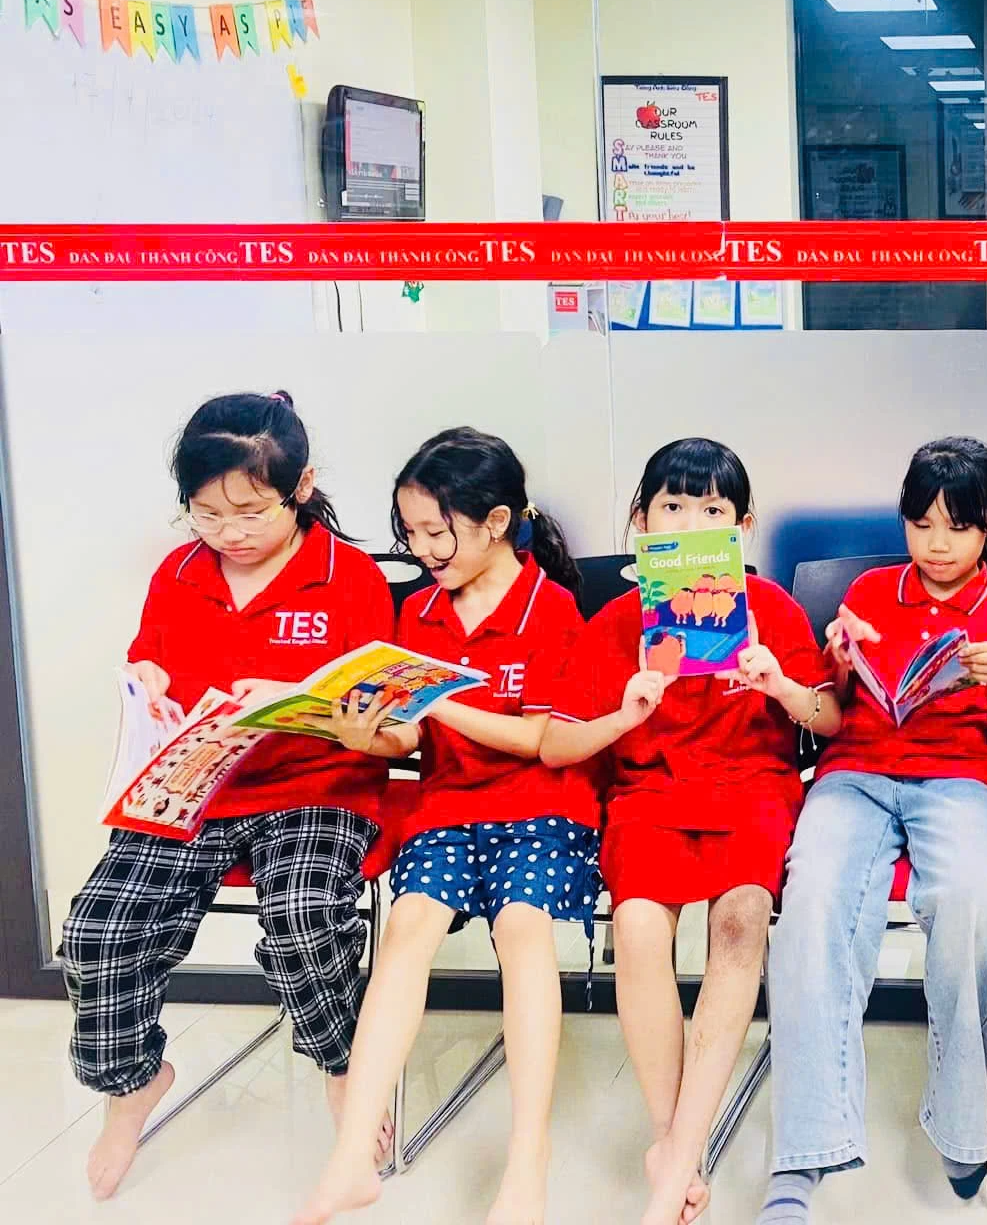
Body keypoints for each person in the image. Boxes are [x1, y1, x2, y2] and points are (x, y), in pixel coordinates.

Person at [62, 391, 396, 1200]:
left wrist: (309, 706)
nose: (229, 533)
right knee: (98, 929)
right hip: (197, 785)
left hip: (317, 786)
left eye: (250, 513)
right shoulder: (178, 573)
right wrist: (147, 682)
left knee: (302, 917)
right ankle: (131, 1081)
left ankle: (344, 1066)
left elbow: (384, 711)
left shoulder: (348, 577)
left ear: (301, 487)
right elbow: (150, 658)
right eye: (206, 514)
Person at [294, 429, 589, 1225]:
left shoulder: (551, 607)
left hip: (543, 803)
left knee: (521, 927)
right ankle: (352, 1155)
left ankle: (528, 1157)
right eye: (411, 533)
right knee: (409, 926)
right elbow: (409, 739)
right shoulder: (417, 610)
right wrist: (363, 733)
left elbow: (538, 738)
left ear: (496, 523)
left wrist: (442, 702)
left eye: (437, 532)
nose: (422, 551)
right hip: (449, 804)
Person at [545, 439, 840, 1225]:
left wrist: (780, 686)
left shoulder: (770, 608)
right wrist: (626, 713)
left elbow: (830, 719)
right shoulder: (615, 621)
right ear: (641, 521)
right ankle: (672, 1139)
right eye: (672, 506)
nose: (690, 522)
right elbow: (563, 741)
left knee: (741, 922)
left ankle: (675, 1161)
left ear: (740, 527)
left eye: (712, 509)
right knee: (639, 929)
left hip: (754, 790)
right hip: (648, 795)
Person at [757, 437, 987, 1225]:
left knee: (972, 902)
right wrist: (842, 659)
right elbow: (834, 709)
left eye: (957, 527)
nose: (937, 544)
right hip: (856, 773)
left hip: (965, 779)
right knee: (812, 905)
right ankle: (803, 1153)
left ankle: (961, 1121)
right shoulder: (872, 590)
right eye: (921, 525)